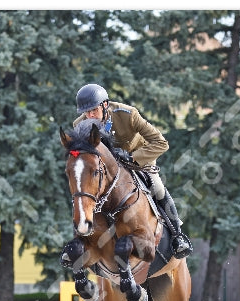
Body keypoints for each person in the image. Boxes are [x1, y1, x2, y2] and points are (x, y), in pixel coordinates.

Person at [73, 83, 193, 259]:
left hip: (138, 161)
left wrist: (133, 157)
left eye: (94, 110)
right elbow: (80, 153)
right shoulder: (80, 125)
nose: (90, 116)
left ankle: (177, 236)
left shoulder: (127, 114)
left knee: (157, 188)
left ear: (105, 105)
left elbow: (161, 143)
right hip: (107, 170)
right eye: (86, 112)